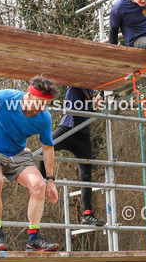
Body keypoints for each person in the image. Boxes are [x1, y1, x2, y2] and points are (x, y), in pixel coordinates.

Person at [0, 75, 61, 252]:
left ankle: (33, 239)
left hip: (18, 154)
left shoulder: (44, 118)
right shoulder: (6, 97)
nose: (42, 108)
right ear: (29, 95)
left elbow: (48, 147)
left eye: (46, 105)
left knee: (39, 186)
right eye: (39, 103)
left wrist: (50, 180)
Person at [38, 86, 106, 227]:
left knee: (86, 175)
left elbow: (91, 109)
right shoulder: (74, 86)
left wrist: (101, 95)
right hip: (68, 128)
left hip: (83, 135)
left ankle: (87, 214)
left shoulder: (89, 89)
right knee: (42, 150)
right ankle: (39, 180)